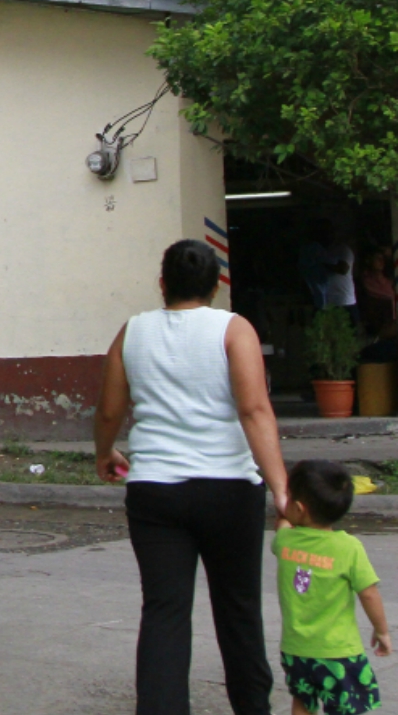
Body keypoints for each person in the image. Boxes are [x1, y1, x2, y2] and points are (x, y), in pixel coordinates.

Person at [94, 239, 290, 715]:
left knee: (164, 611)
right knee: (239, 609)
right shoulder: (233, 330)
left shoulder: (132, 332)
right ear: (216, 285)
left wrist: (105, 453)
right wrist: (283, 489)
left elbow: (109, 410)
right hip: (230, 490)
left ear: (162, 284)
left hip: (155, 491)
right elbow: (254, 409)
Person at [275, 460, 390, 715]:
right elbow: (369, 593)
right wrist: (382, 631)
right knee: (346, 707)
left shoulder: (284, 541)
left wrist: (284, 511)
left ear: (299, 507)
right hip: (338, 652)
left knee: (302, 701)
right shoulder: (348, 548)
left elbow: (282, 523)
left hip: (297, 651)